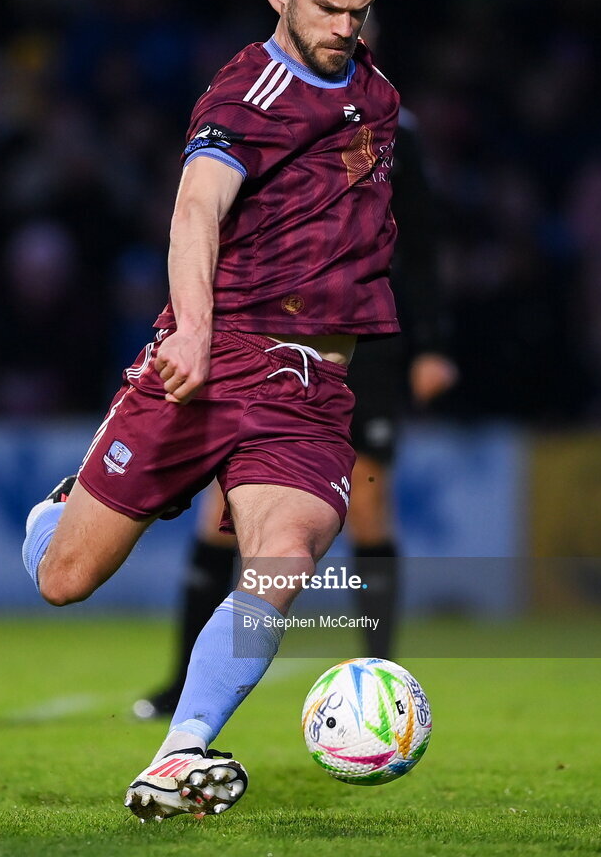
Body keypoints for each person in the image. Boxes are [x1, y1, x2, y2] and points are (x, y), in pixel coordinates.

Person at [22, 0, 398, 822]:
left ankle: (178, 755)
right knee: (63, 580)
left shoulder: (378, 98)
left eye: (357, 11)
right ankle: (63, 506)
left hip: (311, 388)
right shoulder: (246, 94)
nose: (343, 28)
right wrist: (187, 330)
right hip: (212, 357)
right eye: (324, 7)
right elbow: (196, 211)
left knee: (285, 557)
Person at [132, 59, 458, 719]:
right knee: (224, 507)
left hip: (367, 341)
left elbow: (419, 247)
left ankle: (382, 686)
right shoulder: (264, 108)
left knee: (368, 504)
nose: (344, 31)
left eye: (356, 17)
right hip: (269, 330)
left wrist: (432, 345)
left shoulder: (399, 127)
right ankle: (183, 681)